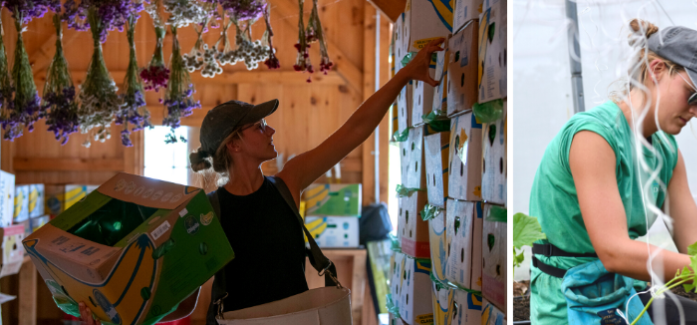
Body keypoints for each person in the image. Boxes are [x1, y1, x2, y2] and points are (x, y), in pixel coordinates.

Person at [76, 38, 445, 325]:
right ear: (234, 144)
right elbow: (181, 297)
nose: (270, 130)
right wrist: (113, 315)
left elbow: (355, 130)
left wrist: (404, 75)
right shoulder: (206, 212)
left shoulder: (289, 183)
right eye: (258, 126)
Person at [528, 20, 697, 325]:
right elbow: (613, 252)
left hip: (625, 293)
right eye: (693, 95)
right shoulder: (594, 137)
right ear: (656, 70)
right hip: (570, 303)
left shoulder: (666, 151)